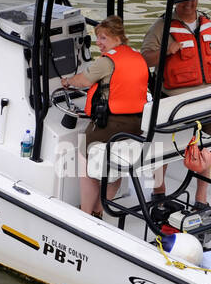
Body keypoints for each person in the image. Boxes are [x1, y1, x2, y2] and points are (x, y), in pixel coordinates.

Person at [139, 0, 211, 207]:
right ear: (176, 0)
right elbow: (144, 60)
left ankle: (200, 199)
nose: (190, 4)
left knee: (208, 149)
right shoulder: (161, 26)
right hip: (174, 101)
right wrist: (167, 50)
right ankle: (159, 193)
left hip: (210, 100)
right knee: (162, 148)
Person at [60, 16, 148, 218]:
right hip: (136, 124)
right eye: (98, 38)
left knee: (85, 156)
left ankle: (86, 212)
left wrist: (66, 81)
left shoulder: (107, 61)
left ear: (117, 38)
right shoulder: (137, 57)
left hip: (111, 124)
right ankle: (100, 209)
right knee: (116, 166)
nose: (99, 42)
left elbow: (82, 81)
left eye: (103, 38)